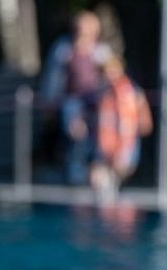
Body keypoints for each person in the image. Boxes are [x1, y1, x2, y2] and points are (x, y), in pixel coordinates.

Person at [39, 11, 111, 186]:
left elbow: (111, 78)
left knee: (101, 135)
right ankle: (75, 177)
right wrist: (48, 103)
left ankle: (98, 171)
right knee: (75, 134)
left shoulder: (101, 52)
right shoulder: (63, 49)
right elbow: (52, 80)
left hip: (96, 103)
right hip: (71, 102)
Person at [91, 56, 153, 199]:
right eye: (106, 72)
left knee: (115, 174)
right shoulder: (102, 93)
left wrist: (127, 132)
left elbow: (145, 125)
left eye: (112, 71)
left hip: (126, 146)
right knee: (97, 178)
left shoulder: (133, 93)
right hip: (105, 145)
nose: (110, 75)